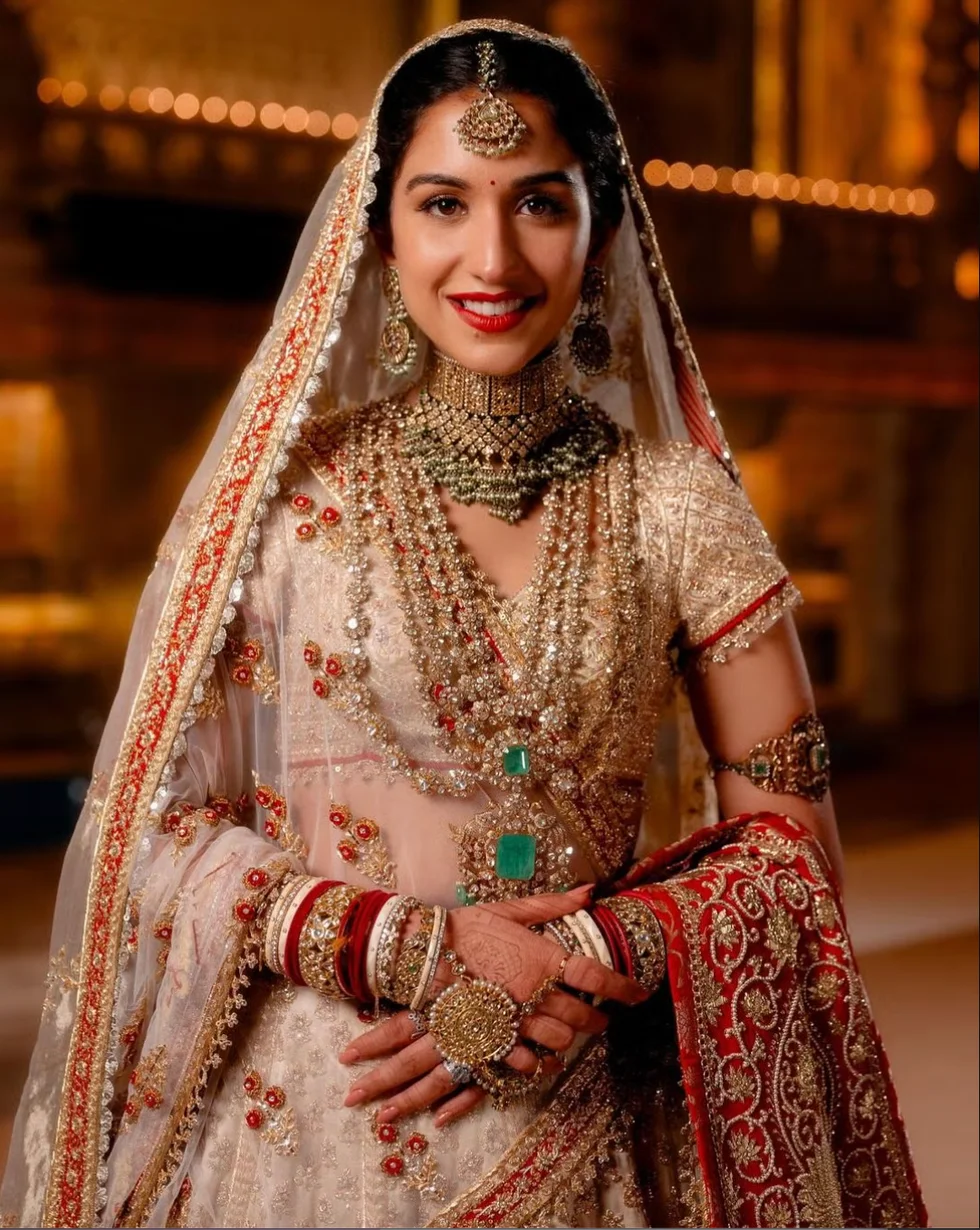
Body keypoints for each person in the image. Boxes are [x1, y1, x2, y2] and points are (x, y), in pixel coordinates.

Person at [1, 19, 925, 1229]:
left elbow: (791, 850)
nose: (491, 255)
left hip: (591, 1103)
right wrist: (401, 947)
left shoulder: (679, 508)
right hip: (317, 1123)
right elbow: (155, 830)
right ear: (380, 233)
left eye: (538, 203)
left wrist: (601, 953)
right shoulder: (281, 505)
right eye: (444, 204)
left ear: (600, 235)